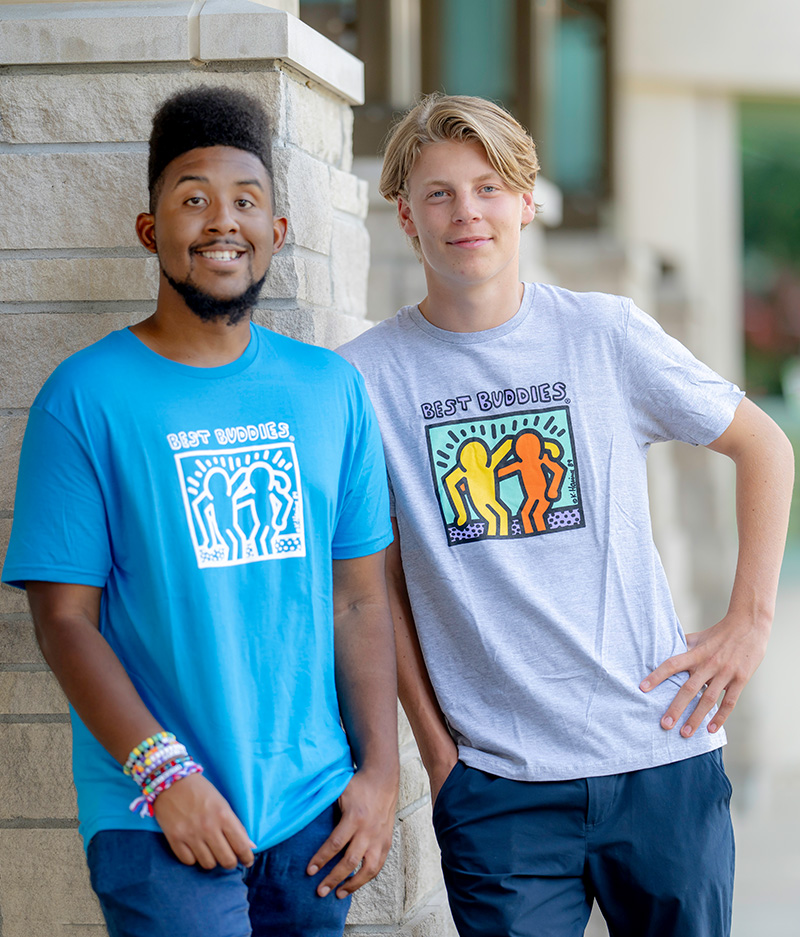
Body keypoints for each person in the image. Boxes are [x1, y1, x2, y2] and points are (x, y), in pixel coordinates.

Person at [338, 93, 794, 937]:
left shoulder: (604, 333)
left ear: (526, 199)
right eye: (439, 193)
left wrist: (750, 620)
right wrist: (441, 757)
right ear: (404, 213)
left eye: (487, 187)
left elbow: (764, 444)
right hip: (500, 789)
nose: (465, 211)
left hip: (661, 756)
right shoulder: (362, 380)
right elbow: (373, 583)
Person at [2, 85, 399, 937]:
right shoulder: (84, 397)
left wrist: (382, 775)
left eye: (246, 201)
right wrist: (164, 775)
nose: (223, 220)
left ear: (276, 235)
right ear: (152, 231)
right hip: (155, 812)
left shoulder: (331, 391)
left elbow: (361, 598)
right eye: (193, 198)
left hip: (310, 810)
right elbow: (65, 621)